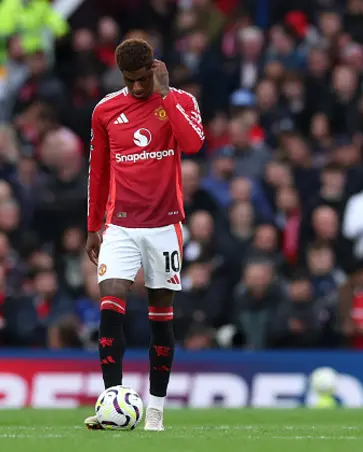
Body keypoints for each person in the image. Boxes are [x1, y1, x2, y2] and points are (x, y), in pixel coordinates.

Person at [84, 39, 204, 431]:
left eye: (142, 79)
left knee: (160, 320)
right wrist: (92, 226)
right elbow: (98, 171)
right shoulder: (105, 110)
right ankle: (111, 405)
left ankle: (155, 411)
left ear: (155, 67)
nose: (137, 88)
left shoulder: (180, 101)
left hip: (165, 226)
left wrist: (165, 94)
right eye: (129, 80)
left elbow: (194, 144)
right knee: (110, 304)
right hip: (120, 226)